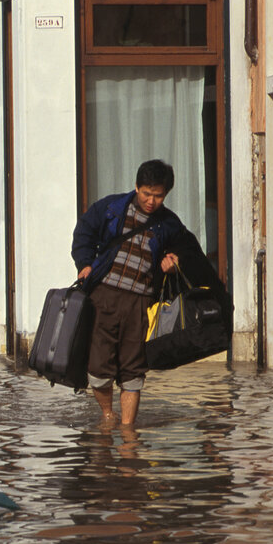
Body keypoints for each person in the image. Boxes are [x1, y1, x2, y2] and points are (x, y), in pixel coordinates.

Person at [71, 159, 184, 426]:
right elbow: (83, 233)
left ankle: (128, 429)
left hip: (141, 304)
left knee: (133, 369)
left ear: (165, 194)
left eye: (158, 196)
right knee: (99, 367)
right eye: (146, 193)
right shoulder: (111, 208)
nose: (151, 201)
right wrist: (85, 264)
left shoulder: (169, 224)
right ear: (136, 187)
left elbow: (187, 254)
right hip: (104, 297)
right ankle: (108, 415)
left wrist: (174, 264)